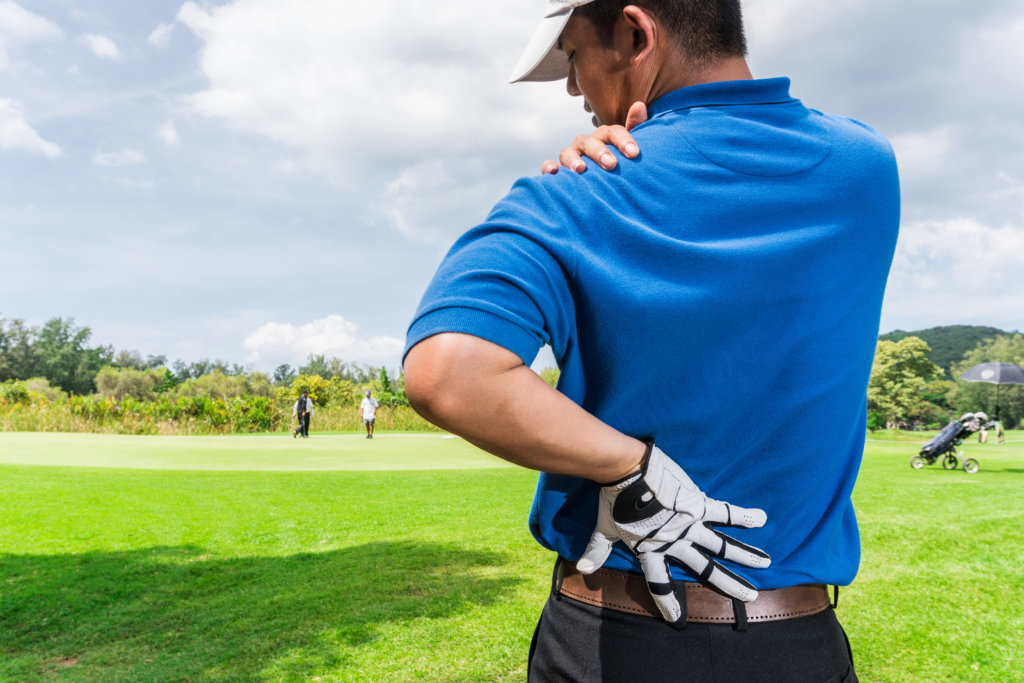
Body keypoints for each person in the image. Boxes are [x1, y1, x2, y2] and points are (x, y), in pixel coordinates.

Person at [403, 1, 899, 680]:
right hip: (796, 644)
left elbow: (449, 370)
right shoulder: (867, 168)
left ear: (637, 34)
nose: (574, 89)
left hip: (611, 641)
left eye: (574, 57)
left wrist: (629, 467)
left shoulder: (573, 194)